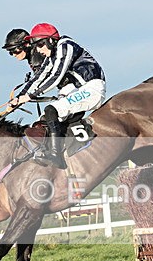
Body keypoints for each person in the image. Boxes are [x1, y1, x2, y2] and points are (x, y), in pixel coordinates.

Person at [6, 22, 106, 169]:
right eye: (36, 46)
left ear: (50, 40)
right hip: (77, 89)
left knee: (51, 110)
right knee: (42, 121)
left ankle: (56, 154)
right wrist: (19, 98)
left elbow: (56, 76)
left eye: (40, 45)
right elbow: (39, 77)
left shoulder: (65, 46)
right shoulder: (52, 54)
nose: (38, 50)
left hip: (92, 88)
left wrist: (30, 96)